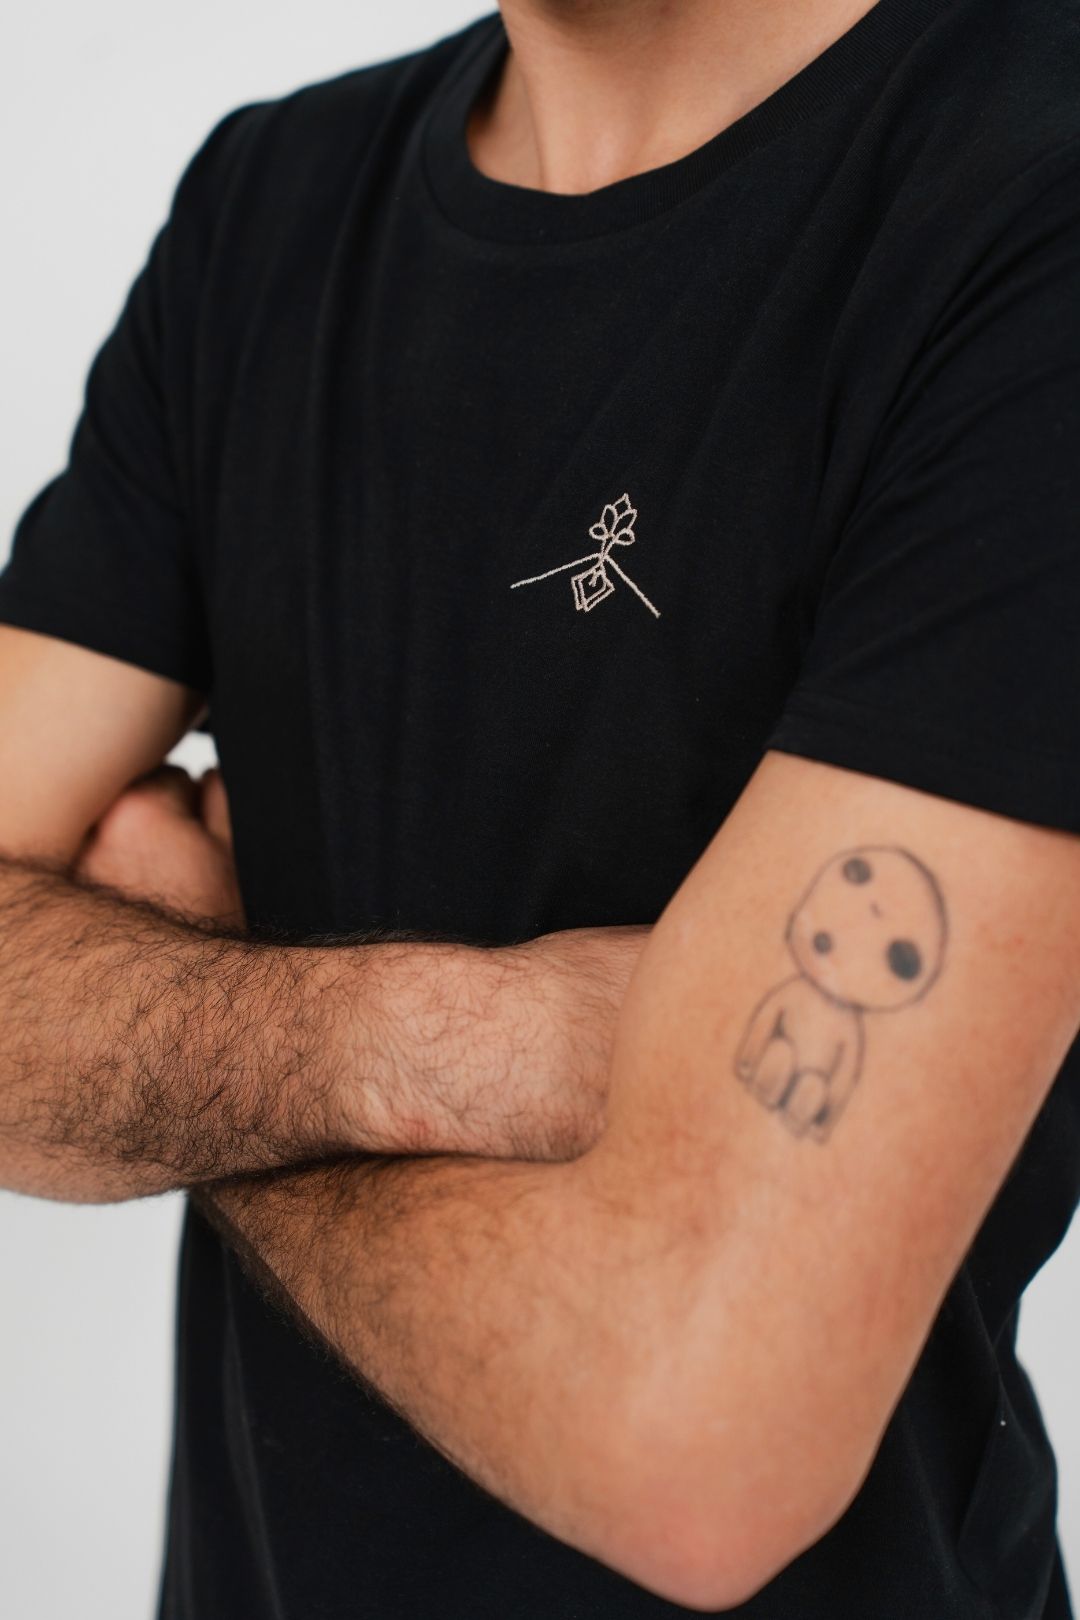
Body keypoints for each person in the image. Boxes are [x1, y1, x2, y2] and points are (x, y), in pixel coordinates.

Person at [1, 0, 1079, 1612]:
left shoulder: (1028, 209)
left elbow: (696, 1447)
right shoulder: (270, 200)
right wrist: (469, 1039)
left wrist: (187, 1046)